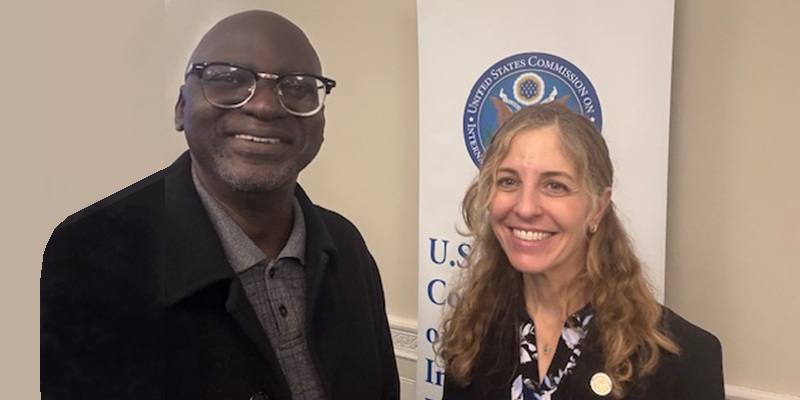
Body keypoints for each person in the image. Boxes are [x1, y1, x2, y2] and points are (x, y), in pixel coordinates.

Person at [41, 10, 399, 400]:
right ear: (181, 107)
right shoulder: (92, 251)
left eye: (297, 87)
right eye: (228, 78)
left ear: (321, 120)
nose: (264, 106)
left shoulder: (346, 245)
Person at [437, 102, 724, 399]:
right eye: (508, 181)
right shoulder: (473, 334)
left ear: (598, 206)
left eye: (555, 186)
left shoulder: (684, 360)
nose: (524, 207)